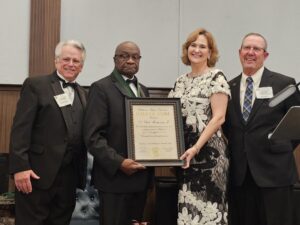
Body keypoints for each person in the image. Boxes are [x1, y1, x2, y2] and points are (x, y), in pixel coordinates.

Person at [223, 32, 300, 225]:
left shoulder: (284, 84)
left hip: (275, 175)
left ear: (265, 55)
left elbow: (297, 126)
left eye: (256, 49)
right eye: (247, 48)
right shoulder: (227, 87)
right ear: (239, 53)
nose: (251, 52)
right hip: (240, 177)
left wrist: (278, 148)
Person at [9, 40, 87, 225]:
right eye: (66, 59)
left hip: (68, 179)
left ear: (81, 67)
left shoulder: (84, 94)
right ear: (56, 61)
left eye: (76, 61)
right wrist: (20, 168)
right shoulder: (36, 85)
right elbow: (20, 128)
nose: (70, 64)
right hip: (35, 175)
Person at [83, 41, 152, 225]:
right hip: (114, 179)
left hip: (141, 178)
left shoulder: (144, 90)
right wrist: (119, 162)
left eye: (135, 57)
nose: (130, 61)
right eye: (124, 56)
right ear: (115, 59)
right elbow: (93, 137)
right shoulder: (101, 88)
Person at [168, 28, 231, 225]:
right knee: (188, 213)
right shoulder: (180, 81)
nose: (196, 50)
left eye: (202, 46)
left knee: (209, 212)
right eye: (192, 45)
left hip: (209, 156)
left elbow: (219, 118)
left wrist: (196, 148)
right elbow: (168, 117)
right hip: (185, 156)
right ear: (186, 49)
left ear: (210, 52)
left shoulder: (216, 77)